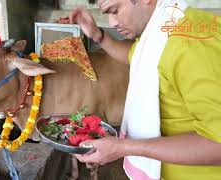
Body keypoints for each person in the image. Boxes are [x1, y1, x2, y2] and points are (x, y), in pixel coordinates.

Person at [70, 0, 221, 179]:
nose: (112, 23)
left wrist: (124, 147)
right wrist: (98, 36)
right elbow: (138, 57)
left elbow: (217, 143)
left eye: (115, 11)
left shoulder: (191, 46)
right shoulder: (165, 26)